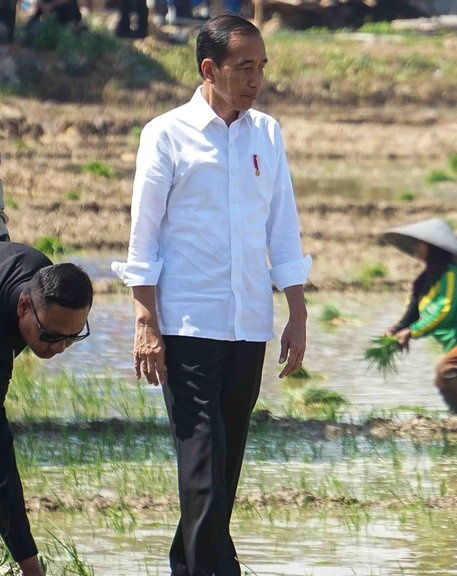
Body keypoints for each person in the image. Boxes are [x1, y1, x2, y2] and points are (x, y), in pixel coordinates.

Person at [111, 14, 311, 575]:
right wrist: (145, 323)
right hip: (187, 328)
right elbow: (143, 236)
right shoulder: (166, 133)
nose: (255, 79)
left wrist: (296, 310)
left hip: (248, 326)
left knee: (221, 479)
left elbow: (283, 229)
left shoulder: (267, 134)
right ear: (209, 69)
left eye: (261, 67)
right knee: (202, 474)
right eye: (243, 67)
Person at [0, 243, 92, 576]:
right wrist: (31, 567)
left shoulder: (42, 272)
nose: (59, 348)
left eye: (72, 337)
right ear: (24, 306)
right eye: (51, 336)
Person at [383, 218, 457, 416]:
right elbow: (413, 313)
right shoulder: (424, 280)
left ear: (432, 247)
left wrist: (411, 333)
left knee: (446, 372)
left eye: (419, 243)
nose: (415, 247)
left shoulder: (450, 274)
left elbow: (443, 311)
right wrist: (396, 329)